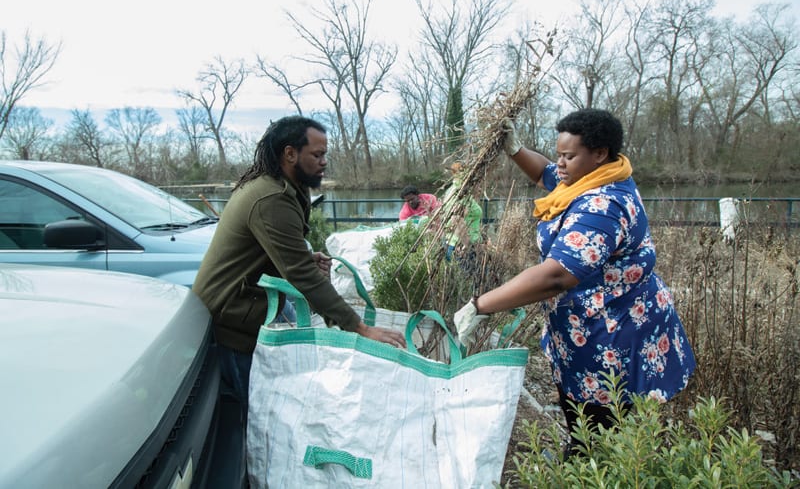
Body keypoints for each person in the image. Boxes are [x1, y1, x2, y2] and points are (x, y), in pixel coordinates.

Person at [454, 108, 696, 460]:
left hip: (614, 332)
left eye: (569, 156)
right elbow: (545, 174)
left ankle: (593, 467)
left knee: (604, 422)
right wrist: (514, 149)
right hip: (586, 326)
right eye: (559, 153)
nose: (560, 164)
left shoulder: (604, 205)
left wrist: (481, 305)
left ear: (599, 153)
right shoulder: (586, 180)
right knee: (584, 418)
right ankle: (583, 456)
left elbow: (556, 276)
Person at [193, 115, 407, 416]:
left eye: (325, 155)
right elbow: (302, 276)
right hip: (233, 320)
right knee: (253, 416)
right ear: (290, 154)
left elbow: (280, 252)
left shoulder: (287, 187)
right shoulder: (270, 198)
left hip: (251, 306)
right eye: (317, 155)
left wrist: (304, 257)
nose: (324, 163)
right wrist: (358, 327)